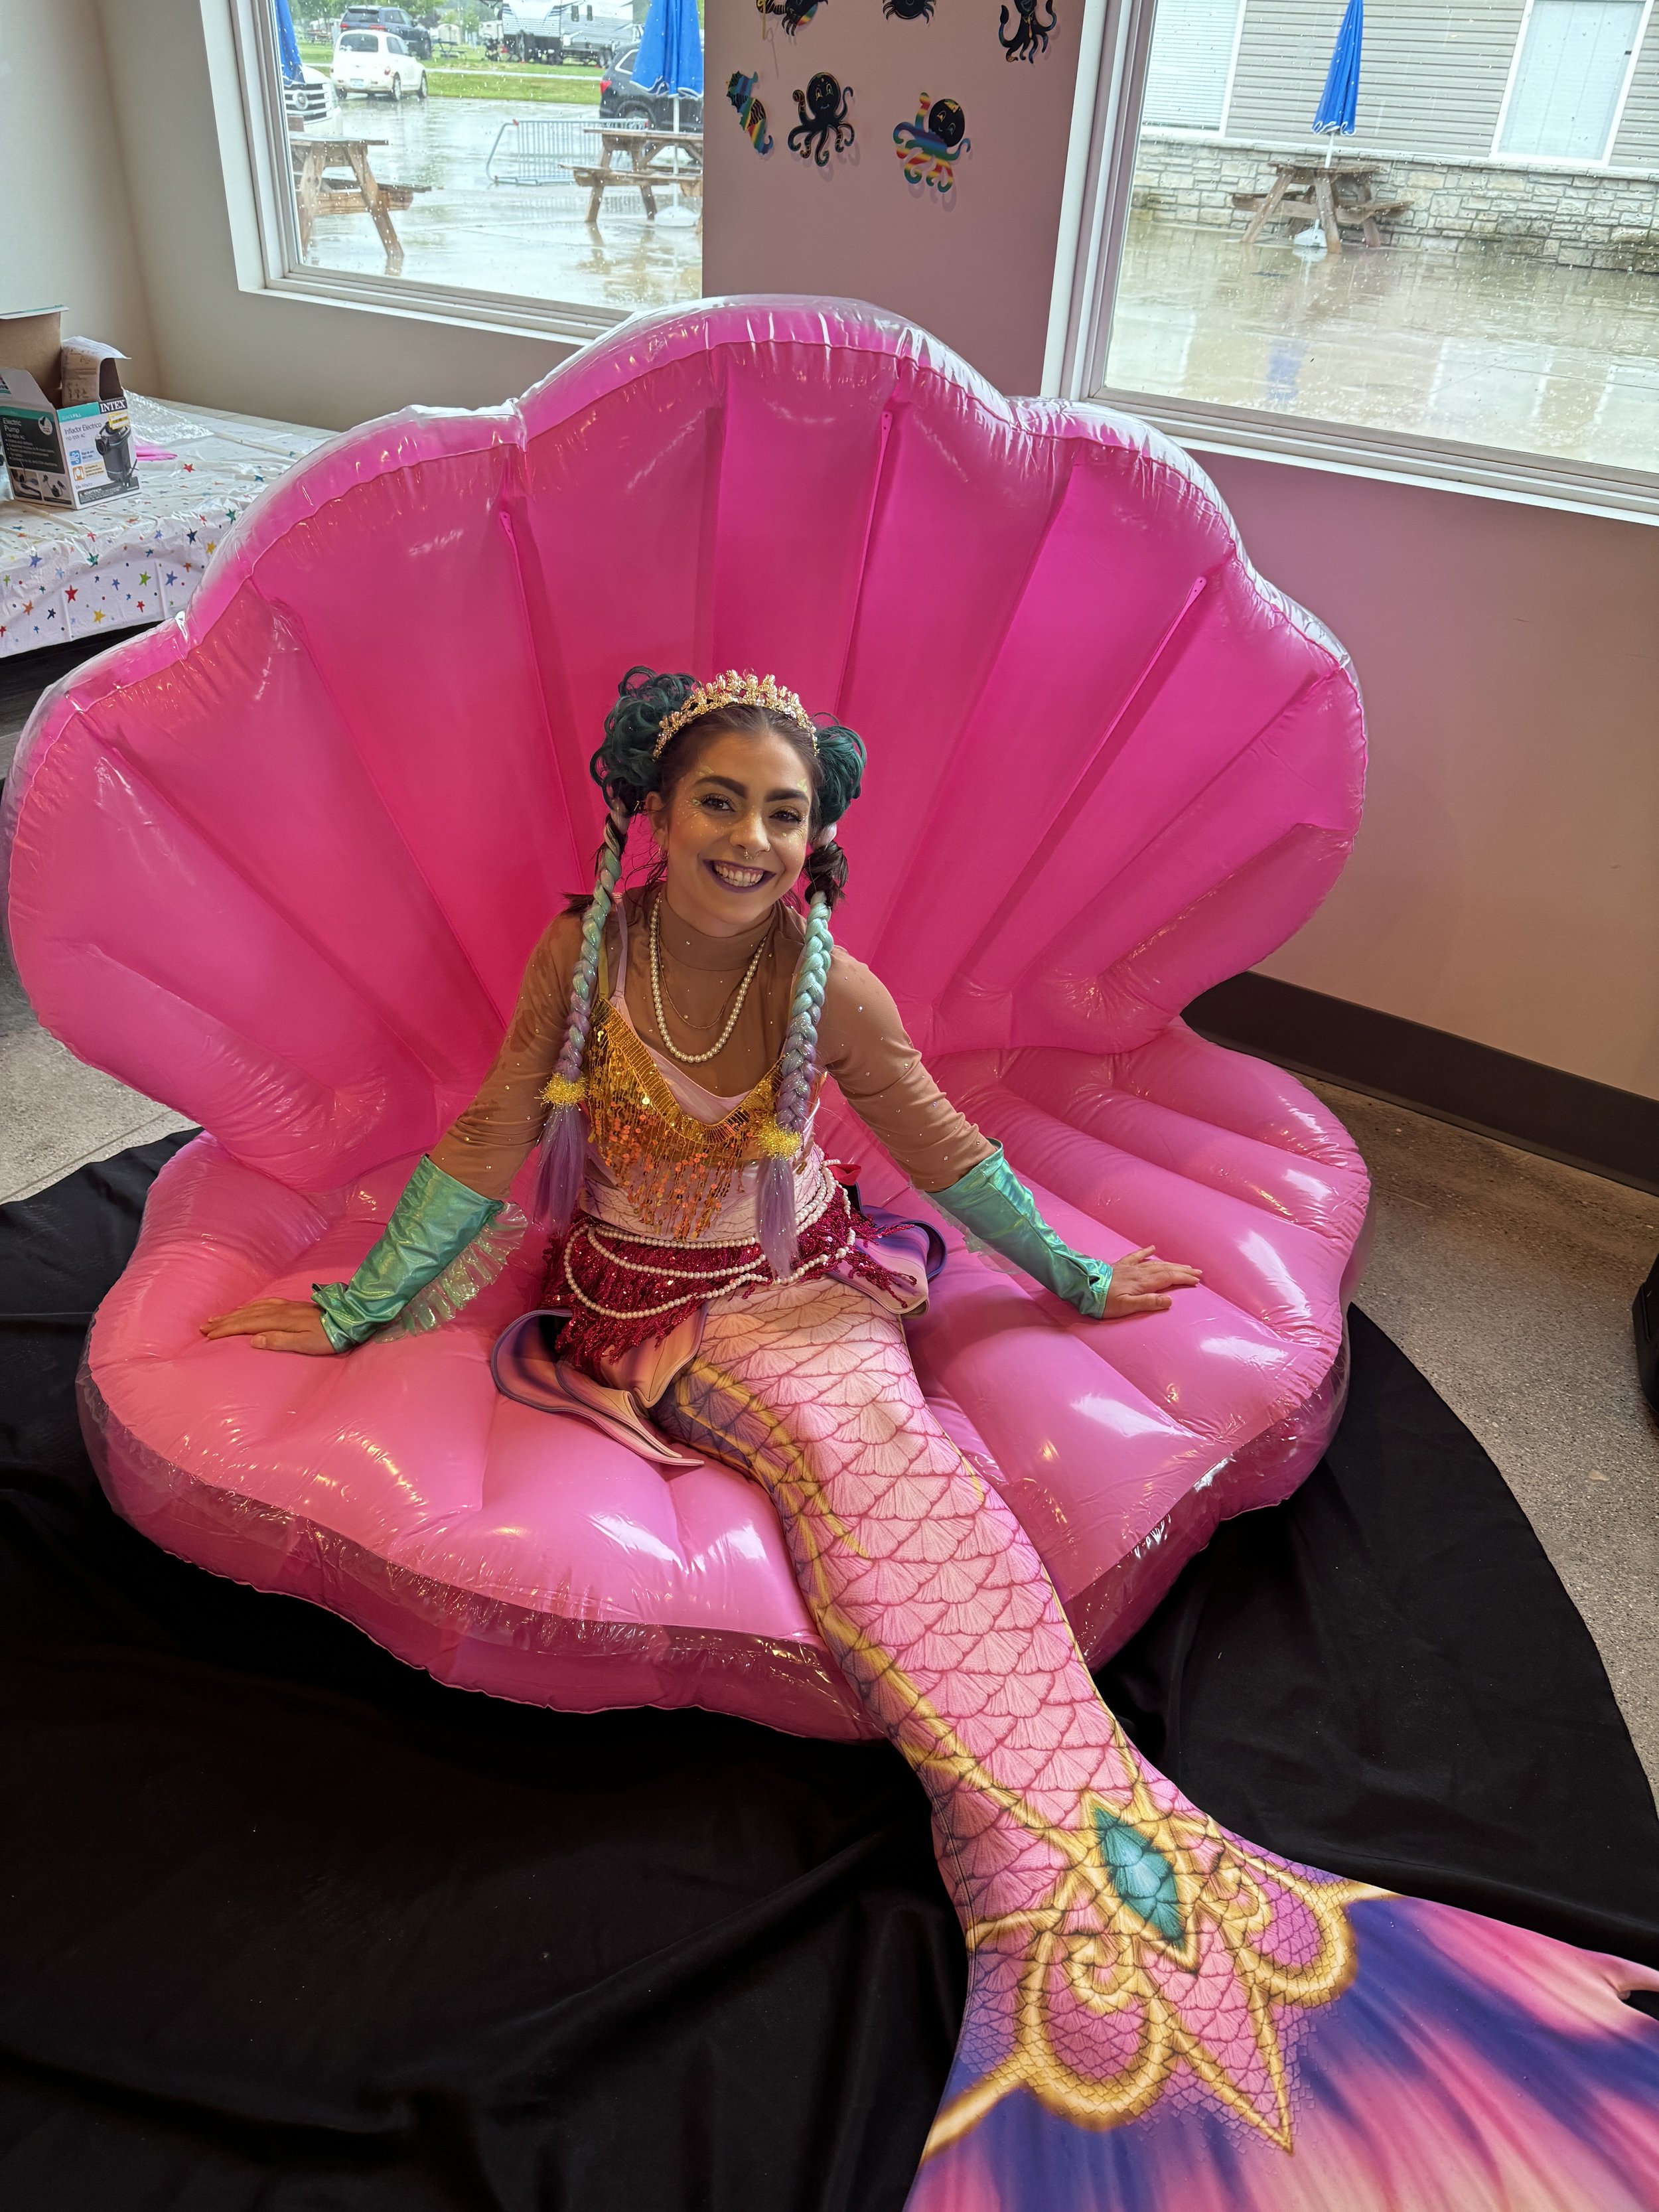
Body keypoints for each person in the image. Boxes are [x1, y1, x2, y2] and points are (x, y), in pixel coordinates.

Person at [203, 669, 1658, 2211]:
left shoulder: (829, 976)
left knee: (879, 1464)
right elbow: (501, 1129)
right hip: (644, 1306)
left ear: (815, 840)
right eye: (721, 801)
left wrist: (1078, 1271)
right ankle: (1097, 1900)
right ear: (652, 809)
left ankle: (1074, 1893)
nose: (751, 838)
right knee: (857, 1462)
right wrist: (363, 1307)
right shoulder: (586, 955)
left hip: (810, 1287)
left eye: (784, 813)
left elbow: (940, 1143)